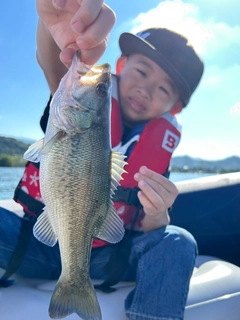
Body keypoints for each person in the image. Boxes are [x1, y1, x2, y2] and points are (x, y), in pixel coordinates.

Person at [0, 0, 204, 319]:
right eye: (142, 71)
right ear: (121, 66)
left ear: (174, 107)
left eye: (163, 88)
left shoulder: (160, 144)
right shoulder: (73, 108)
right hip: (35, 243)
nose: (146, 90)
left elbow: (149, 227)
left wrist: (159, 212)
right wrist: (56, 26)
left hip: (107, 258)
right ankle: (73, 281)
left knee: (177, 241)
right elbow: (51, 63)